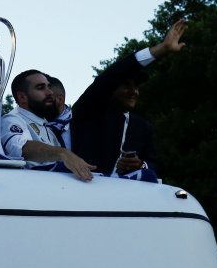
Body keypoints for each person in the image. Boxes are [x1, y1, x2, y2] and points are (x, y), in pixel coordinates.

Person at [71, 19, 187, 176]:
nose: (133, 91)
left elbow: (154, 165)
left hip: (127, 196)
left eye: (136, 87)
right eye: (127, 85)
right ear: (112, 88)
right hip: (83, 189)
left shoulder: (143, 127)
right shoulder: (90, 110)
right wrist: (160, 49)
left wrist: (141, 165)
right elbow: (110, 76)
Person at [0, 70, 95, 181]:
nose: (50, 92)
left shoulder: (46, 126)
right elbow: (20, 148)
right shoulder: (12, 119)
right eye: (40, 88)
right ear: (22, 97)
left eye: (49, 87)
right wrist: (63, 153)